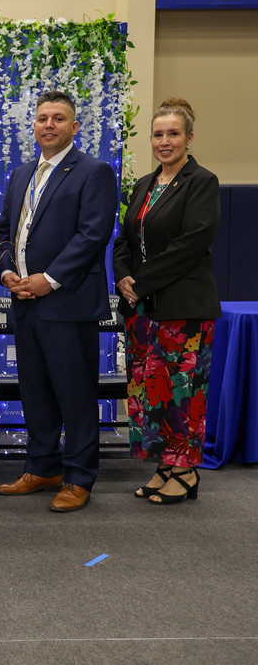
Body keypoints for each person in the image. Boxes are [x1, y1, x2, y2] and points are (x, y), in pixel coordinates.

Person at [0, 90, 117, 512]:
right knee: (37, 392)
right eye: (43, 118)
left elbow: (93, 235)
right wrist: (8, 271)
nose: (49, 124)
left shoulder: (93, 172)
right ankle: (42, 467)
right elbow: (5, 231)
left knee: (75, 395)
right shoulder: (21, 173)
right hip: (24, 301)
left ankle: (79, 478)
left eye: (58, 118)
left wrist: (49, 279)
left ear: (75, 126)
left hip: (67, 304)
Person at [114, 97, 219, 504]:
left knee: (184, 393)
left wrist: (140, 281)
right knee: (150, 392)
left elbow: (191, 244)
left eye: (173, 134)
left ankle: (186, 471)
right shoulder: (143, 184)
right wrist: (123, 276)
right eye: (158, 134)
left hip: (184, 310)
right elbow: (124, 239)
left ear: (189, 138)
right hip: (143, 312)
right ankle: (165, 465)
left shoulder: (202, 181)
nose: (164, 141)